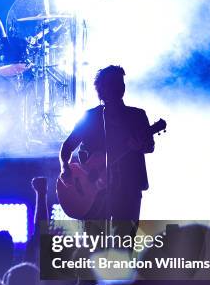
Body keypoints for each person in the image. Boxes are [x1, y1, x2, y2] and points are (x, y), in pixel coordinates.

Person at [59, 65, 155, 229]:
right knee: (95, 246)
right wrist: (65, 169)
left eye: (119, 83)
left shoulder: (137, 116)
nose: (118, 87)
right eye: (111, 84)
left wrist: (139, 145)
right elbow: (67, 147)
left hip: (128, 189)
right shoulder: (90, 117)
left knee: (123, 246)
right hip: (94, 193)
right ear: (100, 89)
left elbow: (150, 146)